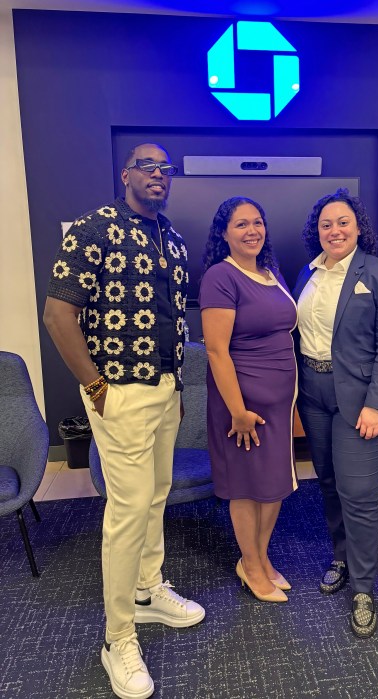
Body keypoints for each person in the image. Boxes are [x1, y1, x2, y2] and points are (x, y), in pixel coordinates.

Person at [44, 143, 205, 699]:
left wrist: (177, 385)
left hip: (163, 390)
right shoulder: (94, 230)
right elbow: (58, 313)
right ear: (126, 173)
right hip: (118, 390)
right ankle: (118, 638)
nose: (159, 175)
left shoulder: (175, 241)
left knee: (156, 495)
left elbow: (175, 321)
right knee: (128, 510)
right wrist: (94, 386)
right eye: (149, 167)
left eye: (167, 169)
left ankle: (147, 589)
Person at [293, 188, 378, 638]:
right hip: (315, 393)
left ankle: (363, 587)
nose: (334, 230)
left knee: (359, 492)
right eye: (325, 224)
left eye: (343, 222)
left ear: (358, 227)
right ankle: (341, 556)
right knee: (329, 483)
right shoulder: (307, 274)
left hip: (362, 400)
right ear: (316, 231)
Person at [199, 197, 298, 604]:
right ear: (224, 233)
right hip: (242, 408)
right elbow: (217, 351)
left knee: (274, 485)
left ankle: (260, 556)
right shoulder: (220, 278)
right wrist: (238, 412)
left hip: (279, 403)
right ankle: (251, 564)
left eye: (258, 222)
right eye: (241, 224)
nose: (252, 231)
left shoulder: (272, 274)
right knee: (246, 487)